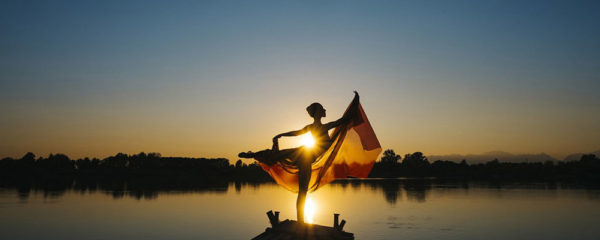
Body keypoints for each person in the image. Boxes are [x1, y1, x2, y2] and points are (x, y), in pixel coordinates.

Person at [239, 91, 360, 224]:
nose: (325, 110)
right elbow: (341, 121)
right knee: (301, 188)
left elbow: (341, 121)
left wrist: (281, 134)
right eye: (322, 109)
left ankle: (253, 154)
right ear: (318, 113)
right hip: (305, 155)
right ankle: (253, 154)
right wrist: (282, 134)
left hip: (305, 156)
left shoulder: (318, 127)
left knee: (298, 183)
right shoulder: (324, 126)